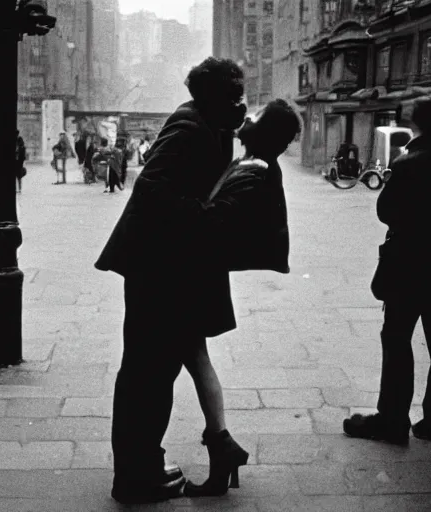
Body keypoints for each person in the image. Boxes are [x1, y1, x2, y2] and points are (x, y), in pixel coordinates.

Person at [94, 57, 247, 505]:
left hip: (168, 268)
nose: (240, 104)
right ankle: (136, 475)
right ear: (215, 96)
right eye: (234, 96)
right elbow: (151, 190)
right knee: (148, 373)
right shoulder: (189, 126)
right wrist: (209, 215)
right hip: (156, 270)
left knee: (153, 371)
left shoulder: (205, 122)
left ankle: (142, 462)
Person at [178, 99, 299, 497]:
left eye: (256, 118)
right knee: (194, 355)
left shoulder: (255, 169)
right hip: (201, 271)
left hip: (196, 272)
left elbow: (216, 218)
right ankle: (222, 446)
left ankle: (222, 444)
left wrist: (179, 210)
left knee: (192, 354)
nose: (247, 119)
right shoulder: (253, 163)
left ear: (265, 133)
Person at [343, 94, 431, 449]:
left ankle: (393, 419)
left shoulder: (409, 162)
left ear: (420, 123)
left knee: (396, 339)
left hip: (409, 268)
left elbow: (386, 211)